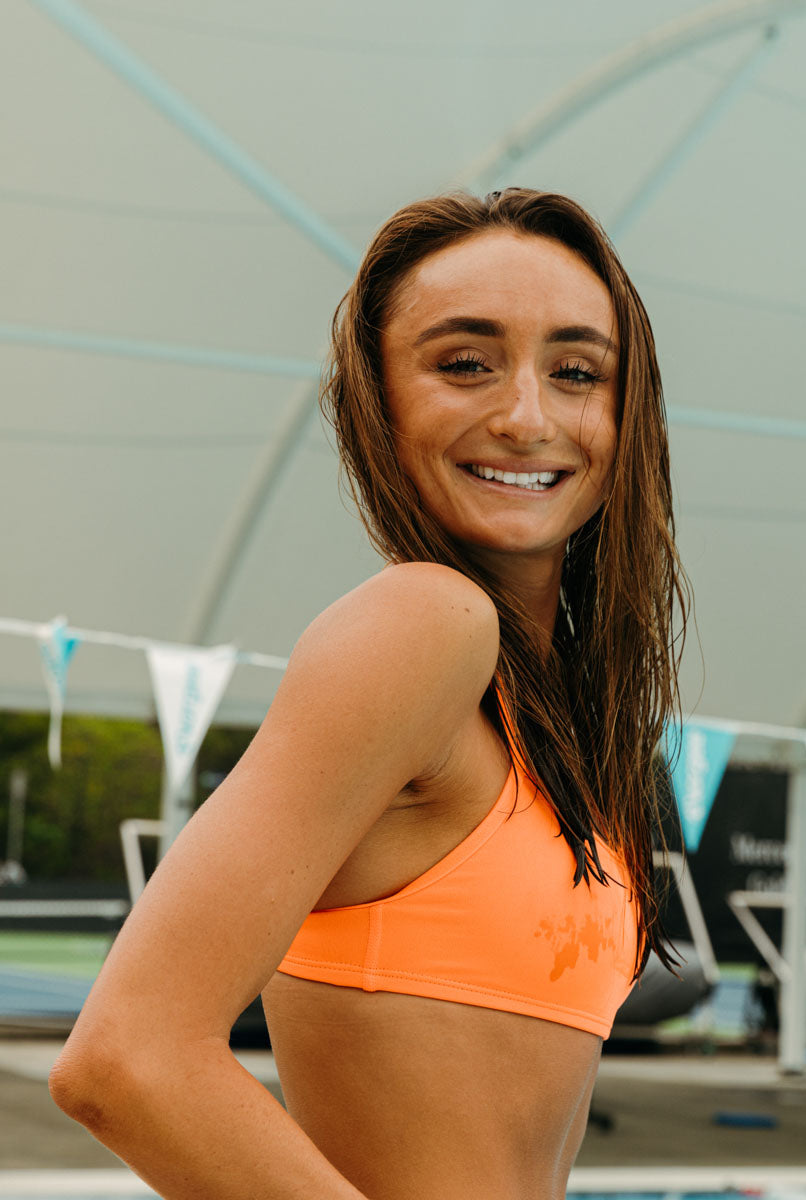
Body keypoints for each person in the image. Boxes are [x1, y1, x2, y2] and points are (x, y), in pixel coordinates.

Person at [49, 188, 688, 1200]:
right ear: (377, 401)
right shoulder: (426, 628)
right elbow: (127, 1060)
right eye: (465, 363)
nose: (526, 416)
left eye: (576, 373)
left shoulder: (550, 705)